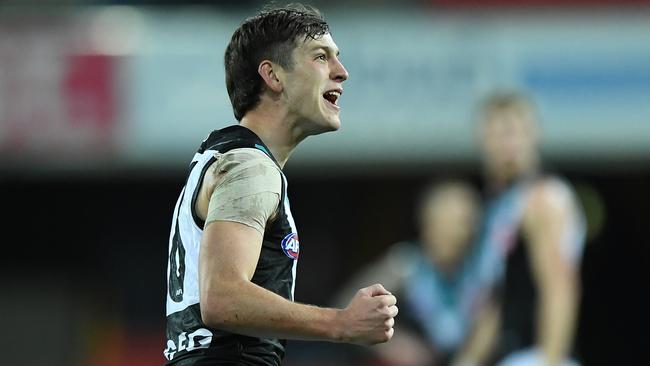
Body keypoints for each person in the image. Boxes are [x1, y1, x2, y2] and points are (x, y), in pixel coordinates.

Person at [162, 5, 398, 365]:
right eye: (321, 57)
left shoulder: (226, 157)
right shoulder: (250, 167)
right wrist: (342, 323)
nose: (342, 72)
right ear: (273, 76)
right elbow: (221, 298)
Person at [334, 180, 499, 366]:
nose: (465, 232)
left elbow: (489, 320)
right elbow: (346, 306)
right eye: (457, 222)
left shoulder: (478, 270)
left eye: (469, 223)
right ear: (431, 223)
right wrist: (393, 344)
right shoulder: (406, 264)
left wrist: (469, 360)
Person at [475, 91, 586, 366]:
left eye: (514, 132)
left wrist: (549, 360)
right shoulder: (504, 203)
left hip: (536, 357)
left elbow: (560, 289)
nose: (507, 144)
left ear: (535, 134)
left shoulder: (543, 198)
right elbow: (499, 300)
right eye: (498, 133)